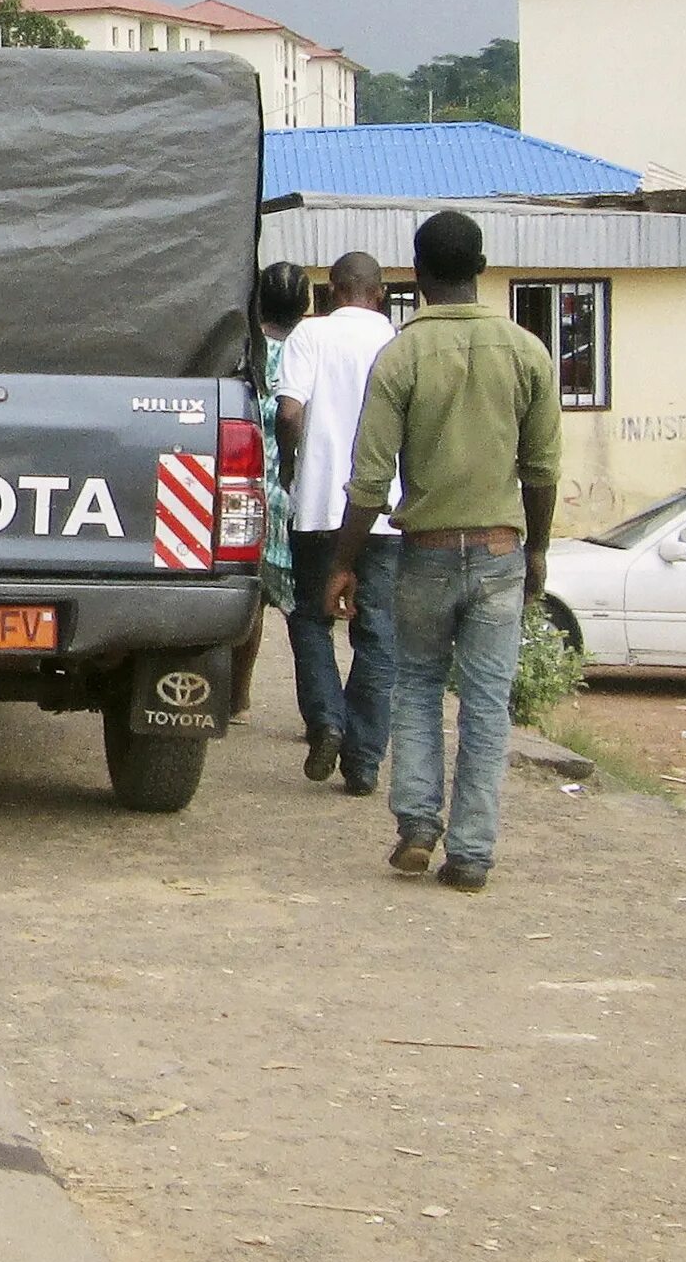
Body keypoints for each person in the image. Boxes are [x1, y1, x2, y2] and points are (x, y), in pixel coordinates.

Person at [329, 211, 561, 894]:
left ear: (418, 275)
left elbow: (369, 478)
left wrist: (343, 562)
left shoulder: (400, 356)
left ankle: (418, 827)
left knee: (418, 686)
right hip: (498, 551)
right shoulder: (526, 352)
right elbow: (542, 469)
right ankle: (471, 853)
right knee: (487, 704)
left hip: (423, 553)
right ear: (481, 270)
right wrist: (538, 550)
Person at [278, 250, 403, 795]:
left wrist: (293, 467)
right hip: (387, 510)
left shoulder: (308, 335)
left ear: (330, 291)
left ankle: (327, 720)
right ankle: (365, 760)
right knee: (377, 632)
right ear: (379, 294)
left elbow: (289, 411)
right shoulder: (398, 342)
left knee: (310, 616)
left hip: (319, 506)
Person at [229, 263, 302, 732]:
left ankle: (238, 695)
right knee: (299, 608)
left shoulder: (244, 353)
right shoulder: (306, 351)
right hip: (291, 490)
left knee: (249, 600)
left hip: (246, 484)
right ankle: (316, 704)